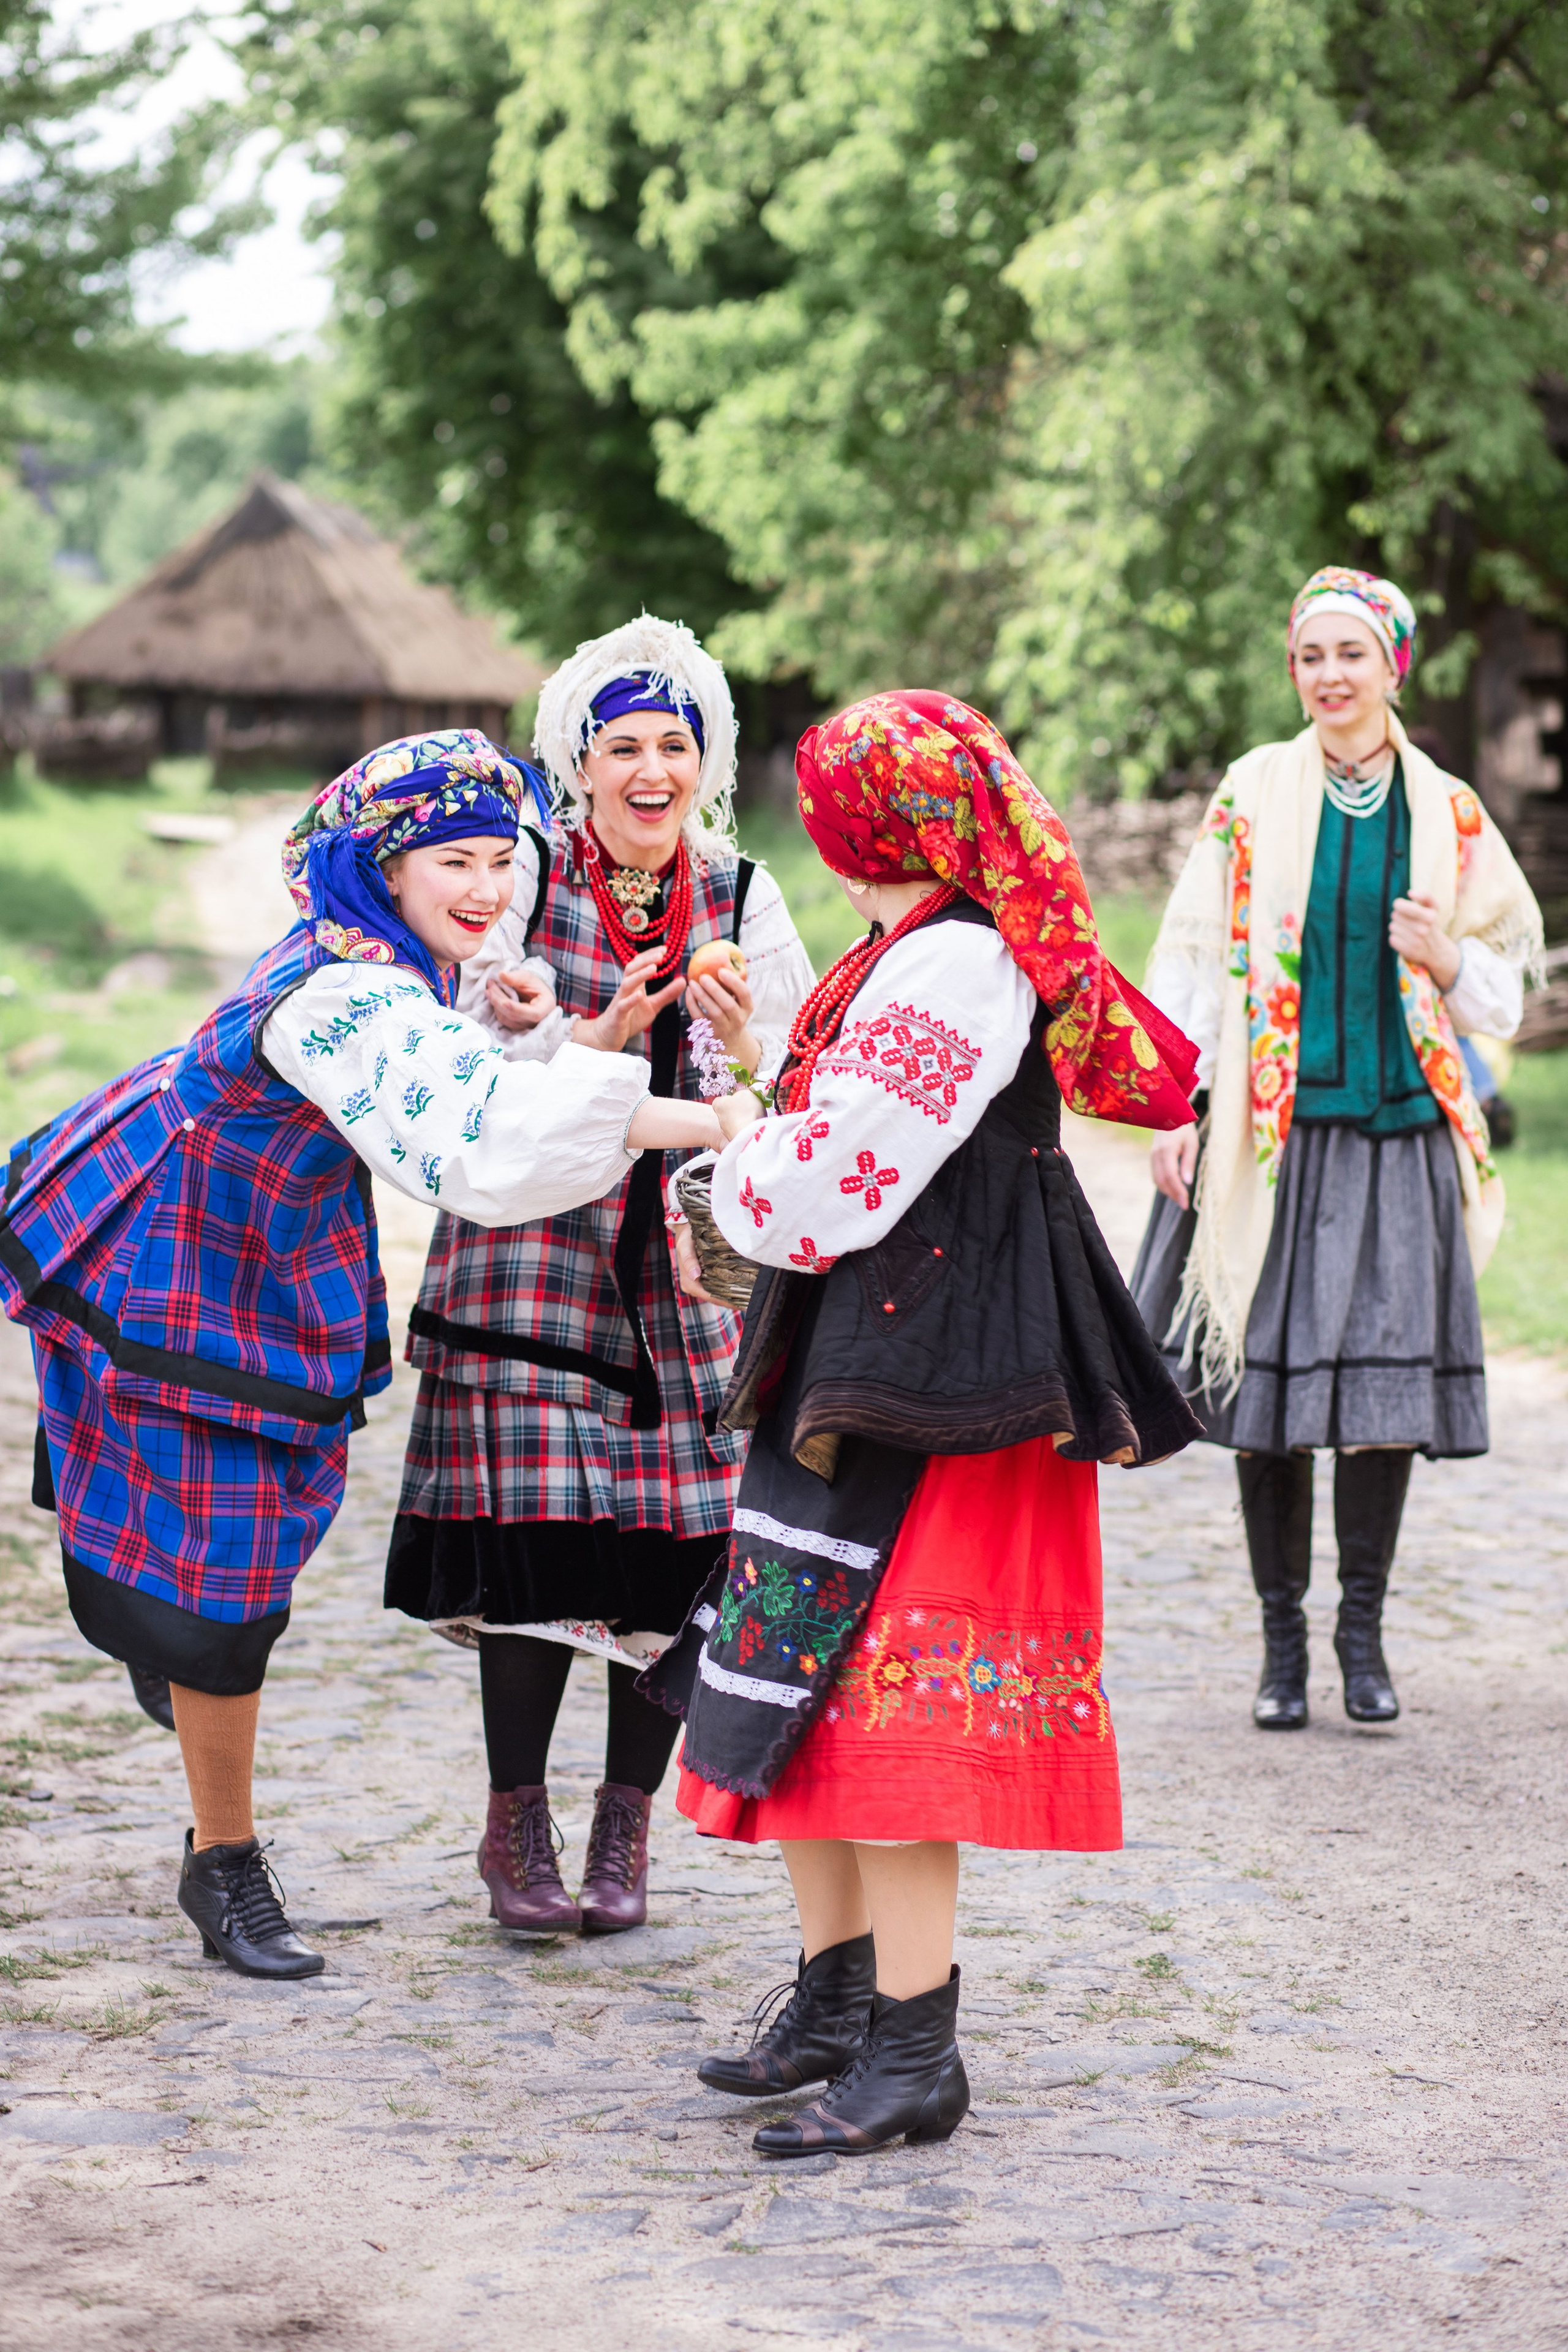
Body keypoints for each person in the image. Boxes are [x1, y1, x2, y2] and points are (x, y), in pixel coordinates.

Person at [0, 730, 721, 1980]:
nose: (490, 889)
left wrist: (559, 1034)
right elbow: (483, 1147)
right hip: (175, 1254)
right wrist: (721, 1121)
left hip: (260, 1254)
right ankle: (221, 1859)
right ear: (379, 864)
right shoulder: (349, 992)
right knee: (226, 1590)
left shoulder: (402, 959)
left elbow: (484, 1085)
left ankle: (169, 1662)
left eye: (504, 858)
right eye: (454, 859)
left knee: (249, 1542)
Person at [652, 690, 1204, 2156]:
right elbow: (829, 1129)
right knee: (801, 1683)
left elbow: (843, 1179)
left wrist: (733, 1173)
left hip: (940, 1371)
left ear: (863, 821)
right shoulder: (903, 950)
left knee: (879, 1702)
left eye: (836, 806)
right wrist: (759, 1097)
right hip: (867, 1347)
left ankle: (914, 2052)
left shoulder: (956, 963)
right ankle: (837, 2005)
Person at [384, 618, 812, 1935]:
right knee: (535, 1546)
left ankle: (624, 1833)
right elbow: (451, 1062)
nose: (648, 767)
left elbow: (791, 1087)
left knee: (671, 1555)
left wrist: (740, 1046)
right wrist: (580, 1032)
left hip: (685, 1268)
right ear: (578, 760)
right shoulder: (514, 884)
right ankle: (517, 1828)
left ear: (704, 762)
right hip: (527, 1256)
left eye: (672, 745)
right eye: (621, 744)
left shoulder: (743, 896)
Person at [1129, 569, 1543, 1731]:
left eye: (1350, 654)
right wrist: (1176, 1105)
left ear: (1392, 667)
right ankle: (1282, 1648)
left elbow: (1505, 1001)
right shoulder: (1253, 792)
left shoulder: (1448, 811)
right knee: (1269, 1395)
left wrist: (1448, 960)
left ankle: (1363, 1637)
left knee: (1381, 1395)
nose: (1328, 676)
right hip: (1275, 1136)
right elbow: (1192, 956)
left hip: (1401, 1132)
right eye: (1310, 656)